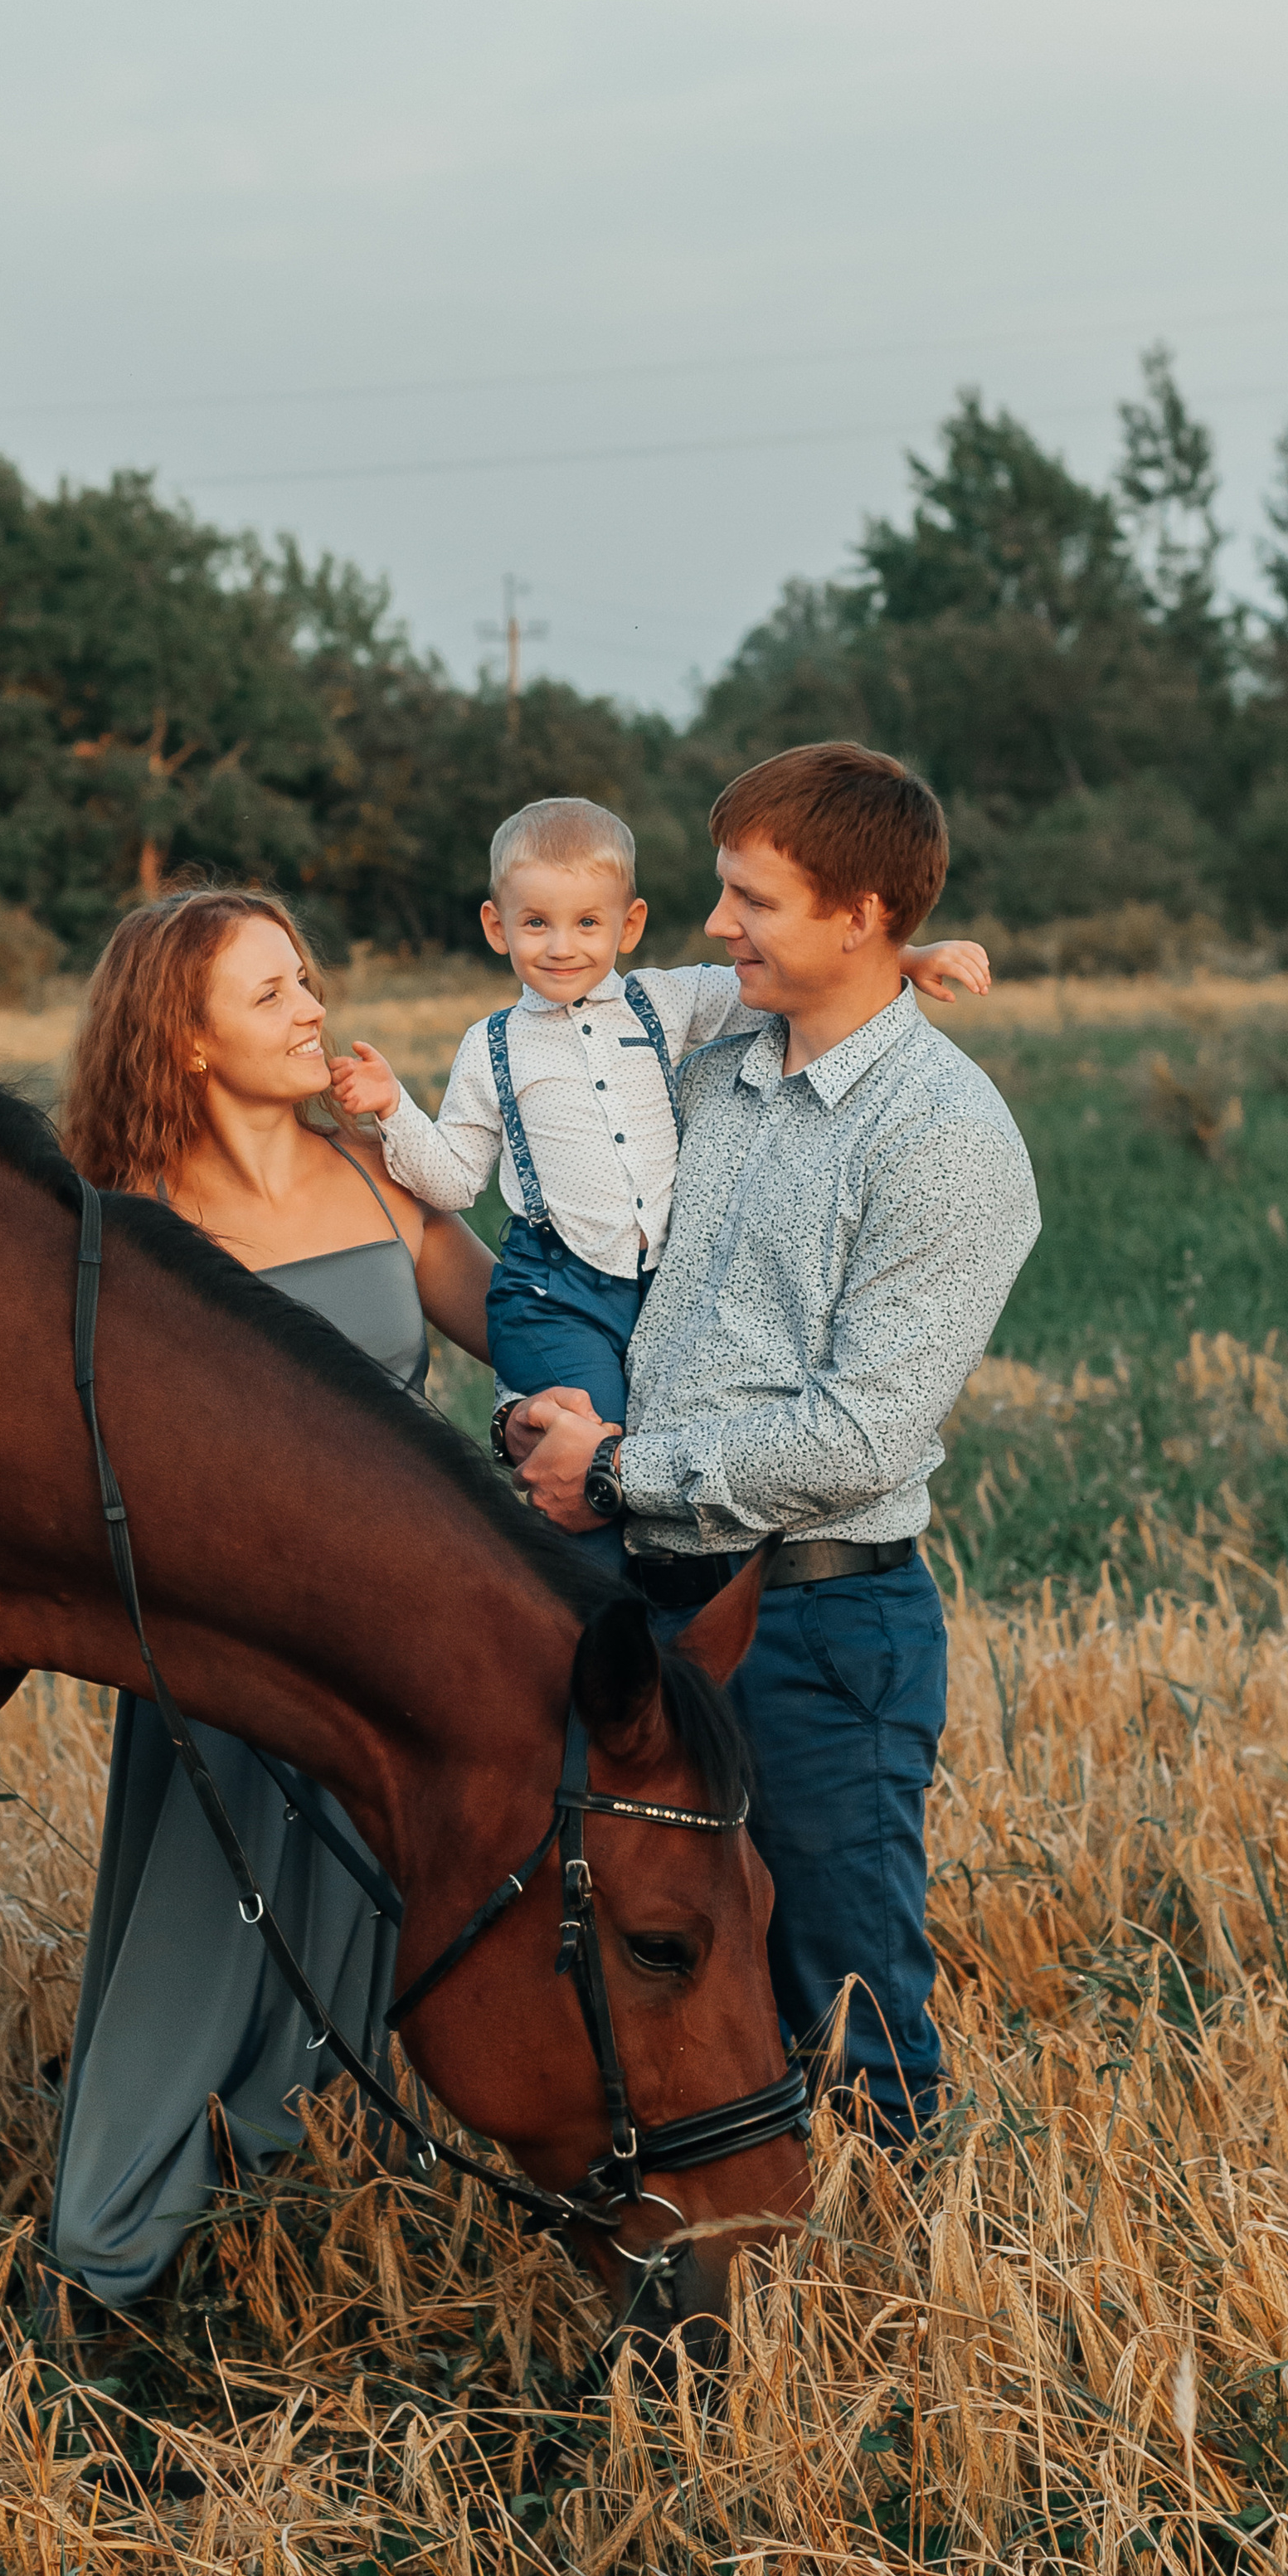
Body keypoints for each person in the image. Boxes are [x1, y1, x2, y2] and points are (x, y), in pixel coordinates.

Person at [508, 745, 1039, 2142]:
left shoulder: (943, 1137)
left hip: (818, 1619)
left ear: (861, 914)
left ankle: (891, 2329)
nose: (716, 922)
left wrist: (619, 1468)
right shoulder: (716, 1068)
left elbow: (863, 1432)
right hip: (653, 1601)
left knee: (843, 2000)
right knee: (655, 1975)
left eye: (752, 897)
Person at [46, 886, 495, 2304]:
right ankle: (117, 2246)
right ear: (182, 1038)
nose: (313, 1006)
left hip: (410, 1634)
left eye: (307, 977)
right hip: (238, 1648)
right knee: (206, 1931)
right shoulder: (127, 1226)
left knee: (394, 1912)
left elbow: (517, 1324)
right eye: (271, 992)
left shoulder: (373, 1173)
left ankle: (341, 2219)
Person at [330, 795, 988, 1577]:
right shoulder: (492, 1048)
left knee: (625, 1463)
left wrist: (906, 957)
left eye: (587, 923)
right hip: (555, 1289)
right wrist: (393, 1111)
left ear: (628, 925)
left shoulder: (668, 1001)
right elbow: (453, 1181)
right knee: (583, 1482)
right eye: (535, 923)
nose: (562, 947)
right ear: (496, 927)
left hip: (656, 1285)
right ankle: (597, 1635)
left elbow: (812, 973)